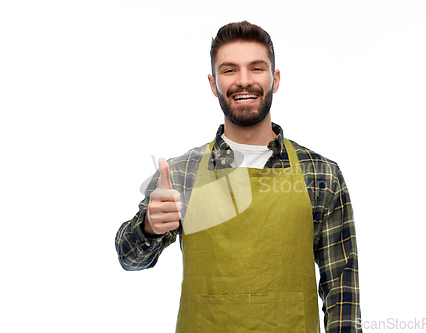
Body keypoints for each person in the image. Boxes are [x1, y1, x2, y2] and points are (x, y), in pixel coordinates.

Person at [115, 21, 362, 333]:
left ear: (275, 78)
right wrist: (148, 227)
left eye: (256, 68)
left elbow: (342, 290)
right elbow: (128, 258)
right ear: (213, 83)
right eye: (229, 70)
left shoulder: (320, 173)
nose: (244, 81)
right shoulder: (182, 173)